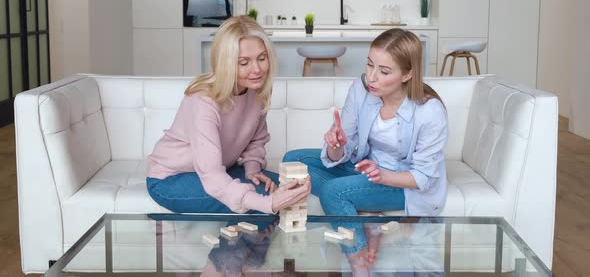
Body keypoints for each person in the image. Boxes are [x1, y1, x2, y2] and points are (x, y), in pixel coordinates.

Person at [282, 28, 449, 268]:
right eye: (369, 65)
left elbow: (423, 177)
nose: (371, 77)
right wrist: (336, 146)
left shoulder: (429, 111)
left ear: (407, 74)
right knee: (293, 161)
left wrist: (382, 175)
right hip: (365, 169)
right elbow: (345, 148)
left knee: (333, 191)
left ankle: (359, 261)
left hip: (401, 183)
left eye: (384, 71)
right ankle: (367, 217)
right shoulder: (361, 89)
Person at [146, 15, 310, 215]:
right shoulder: (203, 101)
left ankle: (247, 241)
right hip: (171, 179)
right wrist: (269, 204)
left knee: (284, 187)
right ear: (226, 63)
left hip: (221, 170)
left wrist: (252, 170)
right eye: (244, 63)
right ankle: (232, 245)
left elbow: (256, 139)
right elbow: (212, 175)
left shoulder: (258, 89)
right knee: (262, 200)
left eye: (261, 58)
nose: (257, 69)